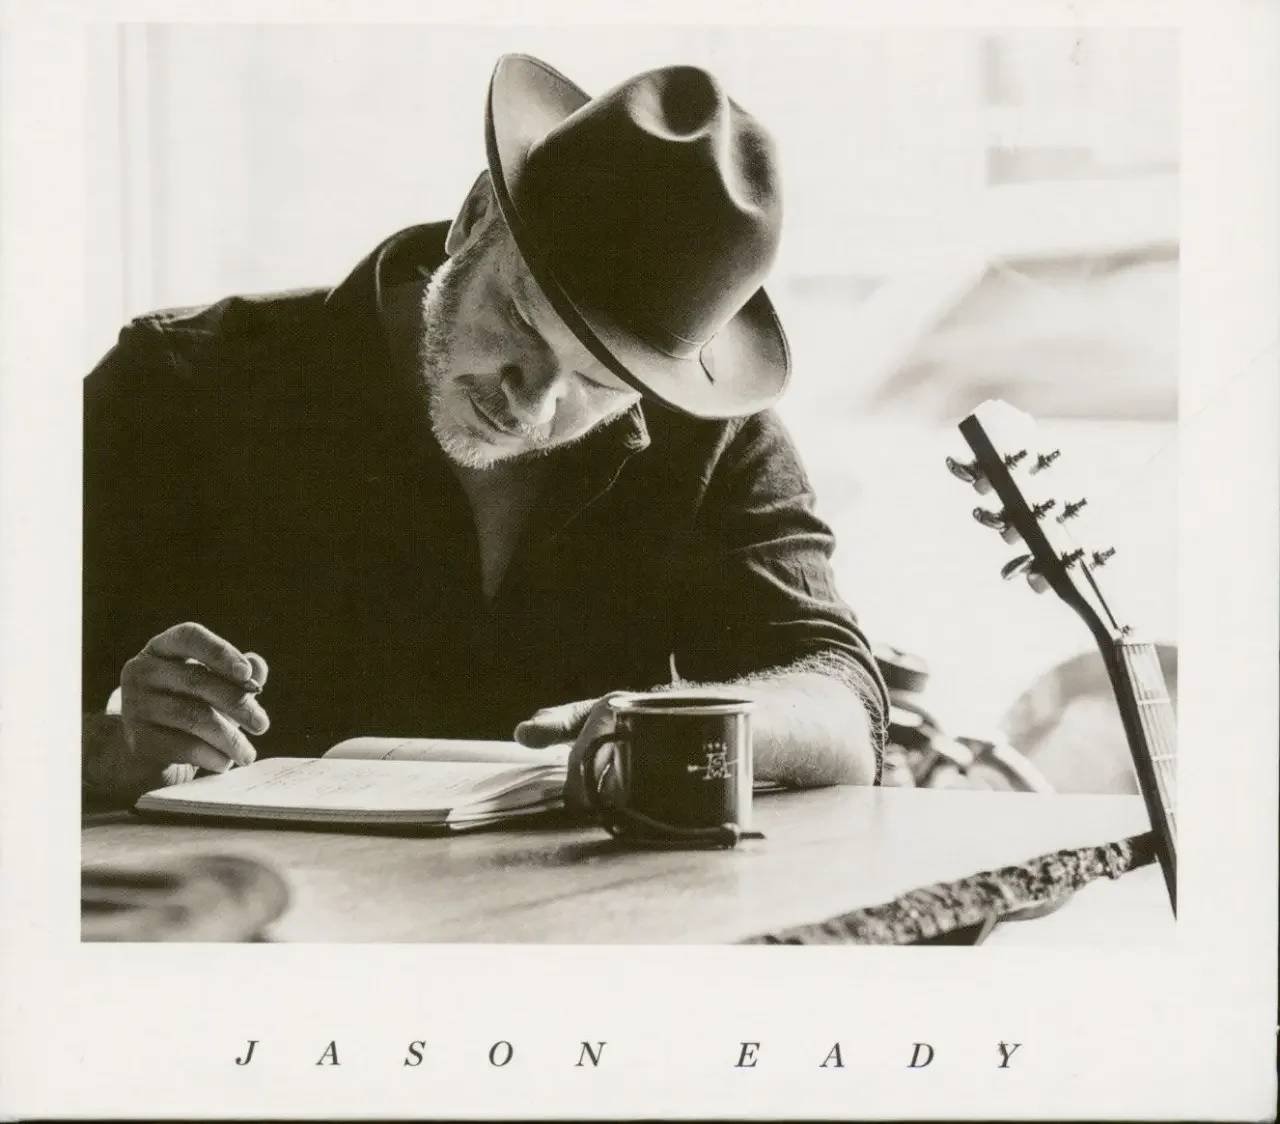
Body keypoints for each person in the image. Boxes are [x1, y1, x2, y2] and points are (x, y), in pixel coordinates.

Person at [82, 53, 889, 808]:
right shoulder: (177, 386)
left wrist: (688, 721)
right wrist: (117, 751)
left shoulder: (707, 433)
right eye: (521, 324)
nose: (533, 406)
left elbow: (844, 700)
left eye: (600, 384)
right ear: (473, 221)